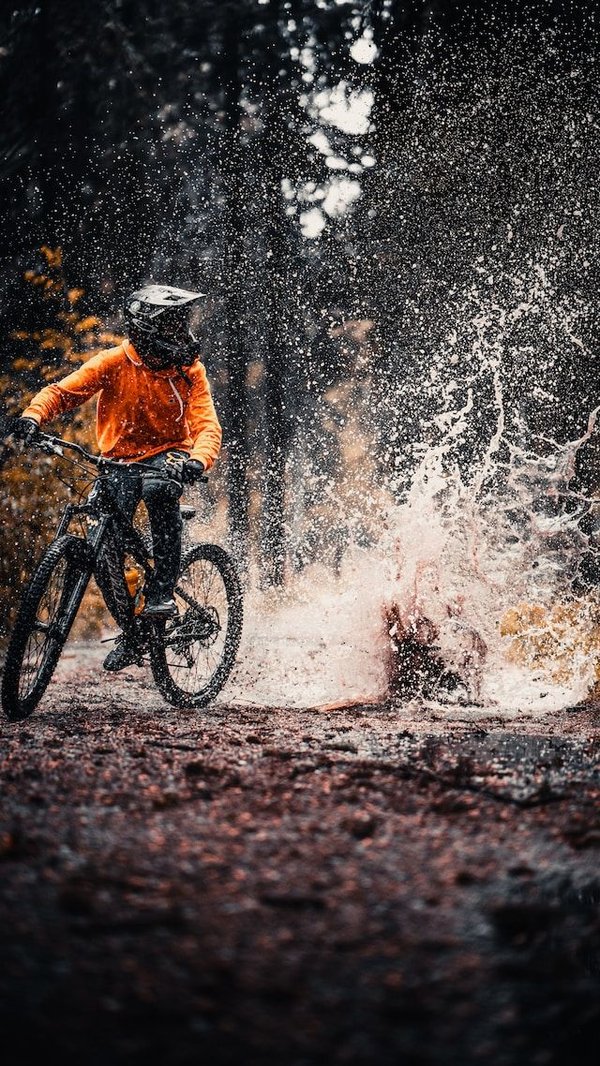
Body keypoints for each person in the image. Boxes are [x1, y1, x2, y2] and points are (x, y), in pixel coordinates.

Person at [11, 283, 222, 671]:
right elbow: (63, 392)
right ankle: (134, 631)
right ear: (146, 329)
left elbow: (207, 425)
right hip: (118, 461)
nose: (181, 334)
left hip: (169, 454)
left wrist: (198, 460)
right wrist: (33, 416)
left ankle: (161, 595)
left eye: (182, 325)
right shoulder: (113, 362)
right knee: (102, 543)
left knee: (159, 488)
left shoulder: (189, 370)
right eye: (171, 326)